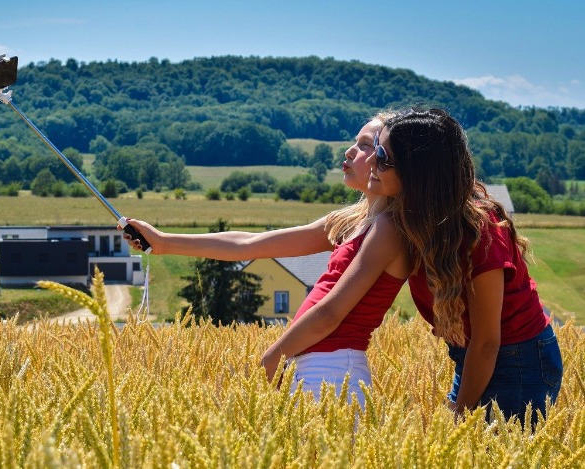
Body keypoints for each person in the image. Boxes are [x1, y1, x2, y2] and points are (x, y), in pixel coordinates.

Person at [122, 114, 411, 405]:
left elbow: (329, 315)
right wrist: (162, 242)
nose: (349, 151)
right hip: (312, 365)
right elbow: (248, 244)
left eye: (365, 145)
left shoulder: (389, 229)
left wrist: (272, 358)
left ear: (386, 159)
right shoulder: (349, 222)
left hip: (335, 371)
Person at [368, 107, 563, 424]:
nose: (371, 162)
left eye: (381, 155)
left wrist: (460, 413)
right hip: (476, 354)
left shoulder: (479, 235)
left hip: (516, 360)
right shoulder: (417, 217)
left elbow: (487, 341)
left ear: (417, 173)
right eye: (376, 147)